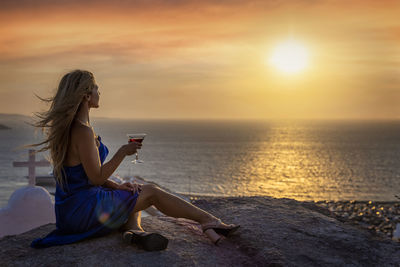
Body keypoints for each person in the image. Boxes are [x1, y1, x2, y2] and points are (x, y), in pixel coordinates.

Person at [27, 69, 240, 251]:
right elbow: (96, 178)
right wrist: (122, 152)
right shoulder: (81, 131)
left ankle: (135, 232)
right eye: (96, 88)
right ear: (86, 95)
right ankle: (208, 221)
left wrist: (119, 186)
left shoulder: (73, 128)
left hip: (70, 211)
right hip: (81, 211)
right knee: (152, 192)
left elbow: (86, 177)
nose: (99, 92)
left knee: (133, 191)